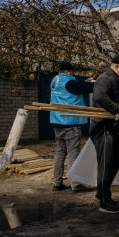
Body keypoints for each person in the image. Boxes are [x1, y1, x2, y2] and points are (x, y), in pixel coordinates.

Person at [90, 54, 119, 213]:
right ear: (116, 66)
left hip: (110, 128)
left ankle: (101, 193)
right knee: (107, 164)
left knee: (116, 161)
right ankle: (104, 201)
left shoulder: (115, 79)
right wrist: (117, 110)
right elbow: (100, 97)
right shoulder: (106, 78)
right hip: (103, 127)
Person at [50, 61, 94, 191]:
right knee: (73, 153)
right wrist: (96, 84)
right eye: (71, 71)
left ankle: (57, 183)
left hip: (57, 121)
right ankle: (76, 184)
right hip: (70, 122)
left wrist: (83, 83)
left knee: (60, 154)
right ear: (68, 71)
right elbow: (82, 89)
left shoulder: (55, 80)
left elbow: (74, 88)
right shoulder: (68, 82)